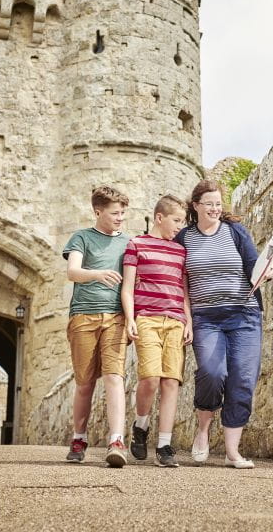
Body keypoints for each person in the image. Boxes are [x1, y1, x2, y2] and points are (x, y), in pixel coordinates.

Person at [174, 180, 273, 469]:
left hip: (245, 315)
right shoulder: (184, 239)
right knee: (211, 372)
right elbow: (181, 284)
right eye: (209, 204)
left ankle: (233, 453)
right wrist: (186, 319)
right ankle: (203, 430)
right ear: (196, 206)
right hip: (206, 318)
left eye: (219, 204)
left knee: (243, 378)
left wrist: (269, 272)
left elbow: (256, 268)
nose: (215, 209)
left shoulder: (235, 233)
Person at [62, 186, 131, 467]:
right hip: (84, 317)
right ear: (98, 211)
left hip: (115, 317)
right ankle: (79, 438)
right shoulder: (81, 237)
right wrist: (98, 274)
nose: (120, 218)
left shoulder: (129, 242)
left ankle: (117, 440)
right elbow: (72, 272)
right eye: (115, 213)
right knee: (85, 383)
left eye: (123, 213)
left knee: (115, 377)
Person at [122, 195, 193, 468]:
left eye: (183, 221)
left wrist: (189, 321)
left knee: (171, 382)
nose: (180, 226)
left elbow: (183, 290)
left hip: (175, 321)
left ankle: (164, 444)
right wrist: (131, 319)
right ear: (159, 217)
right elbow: (127, 288)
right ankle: (141, 426)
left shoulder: (180, 251)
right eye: (177, 220)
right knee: (150, 378)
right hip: (147, 319)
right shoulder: (136, 245)